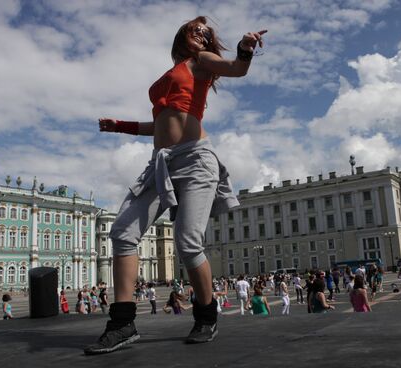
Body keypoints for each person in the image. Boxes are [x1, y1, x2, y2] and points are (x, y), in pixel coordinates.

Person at [85, 16, 267, 355]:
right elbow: (158, 124)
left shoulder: (202, 62)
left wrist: (245, 50)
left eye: (206, 33)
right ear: (181, 36)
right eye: (195, 30)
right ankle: (123, 323)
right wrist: (119, 126)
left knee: (187, 243)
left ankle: (206, 316)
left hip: (196, 160)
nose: (200, 34)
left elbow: (237, 69)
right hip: (162, 162)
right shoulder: (173, 72)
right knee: (123, 231)